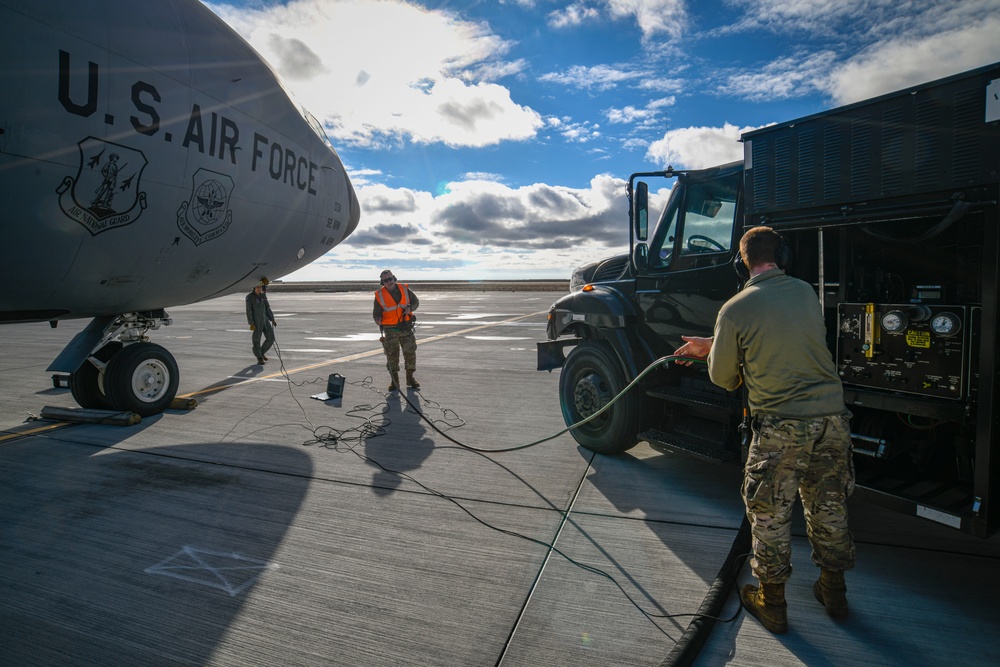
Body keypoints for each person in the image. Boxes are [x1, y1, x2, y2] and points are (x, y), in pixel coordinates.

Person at [674, 226, 855, 635]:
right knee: (829, 506)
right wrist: (716, 339)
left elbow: (723, 378)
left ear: (742, 263)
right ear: (783, 256)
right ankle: (834, 591)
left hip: (781, 425)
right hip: (831, 419)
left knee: (770, 514)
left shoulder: (735, 308)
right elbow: (781, 336)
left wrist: (718, 346)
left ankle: (772, 604)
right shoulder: (806, 292)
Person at [373, 270, 419, 391]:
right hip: (390, 330)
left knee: (410, 353)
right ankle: (395, 381)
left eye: (390, 279)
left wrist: (410, 308)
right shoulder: (380, 295)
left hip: (406, 327)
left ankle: (410, 378)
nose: (389, 282)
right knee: (392, 356)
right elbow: (376, 312)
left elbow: (415, 301)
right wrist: (377, 319)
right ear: (382, 282)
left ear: (394, 278)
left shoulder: (404, 289)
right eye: (385, 280)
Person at [246, 282, 276, 365]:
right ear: (254, 288)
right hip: (257, 322)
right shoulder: (250, 297)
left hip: (265, 321)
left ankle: (261, 352)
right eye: (257, 287)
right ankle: (259, 357)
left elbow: (267, 308)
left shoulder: (263, 296)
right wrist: (251, 323)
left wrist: (272, 319)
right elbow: (248, 311)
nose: (259, 288)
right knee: (256, 341)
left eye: (260, 287)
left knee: (271, 338)